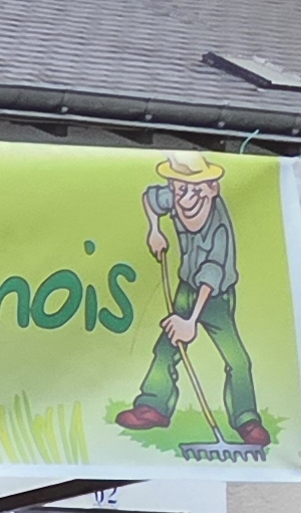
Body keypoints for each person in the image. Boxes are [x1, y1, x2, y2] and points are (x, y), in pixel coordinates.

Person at [113, 153, 265, 448]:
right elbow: (150, 198)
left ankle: (247, 419)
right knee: (166, 348)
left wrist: (190, 321)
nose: (186, 197)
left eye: (195, 189)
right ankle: (153, 406)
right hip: (187, 286)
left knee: (237, 360)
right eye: (179, 188)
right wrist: (154, 230)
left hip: (215, 295)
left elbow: (212, 272)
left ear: (212, 189)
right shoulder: (174, 196)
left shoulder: (218, 227)